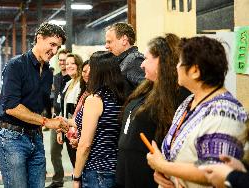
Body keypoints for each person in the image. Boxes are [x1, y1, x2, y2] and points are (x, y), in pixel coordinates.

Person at [146, 36, 248, 188]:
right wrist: (165, 175)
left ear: (194, 71)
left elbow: (214, 171)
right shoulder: (188, 102)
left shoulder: (224, 113)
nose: (176, 67)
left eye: (180, 62)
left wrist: (163, 166)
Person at [0, 22, 68, 188]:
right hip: (11, 138)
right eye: (52, 44)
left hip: (35, 136)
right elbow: (11, 107)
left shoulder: (48, 73)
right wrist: (47, 122)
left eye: (58, 47)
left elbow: (38, 105)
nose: (55, 51)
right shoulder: (16, 66)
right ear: (39, 38)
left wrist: (57, 121)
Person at [115, 34, 190, 188]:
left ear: (163, 62)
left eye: (147, 59)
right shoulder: (147, 87)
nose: (142, 65)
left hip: (149, 177)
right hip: (126, 174)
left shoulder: (178, 96)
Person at [73, 51, 125, 188]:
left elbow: (85, 145)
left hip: (97, 170)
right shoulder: (122, 97)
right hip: (116, 168)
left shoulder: (96, 99)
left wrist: (76, 177)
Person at [47, 49, 70, 188]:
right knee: (54, 151)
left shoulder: (74, 78)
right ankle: (57, 180)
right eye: (60, 60)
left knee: (74, 152)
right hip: (56, 120)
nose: (62, 63)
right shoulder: (55, 77)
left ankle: (80, 179)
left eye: (65, 60)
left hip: (70, 121)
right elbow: (53, 97)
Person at [105, 22, 145, 95]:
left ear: (124, 40)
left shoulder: (134, 60)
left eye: (109, 42)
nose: (106, 46)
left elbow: (147, 92)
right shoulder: (123, 60)